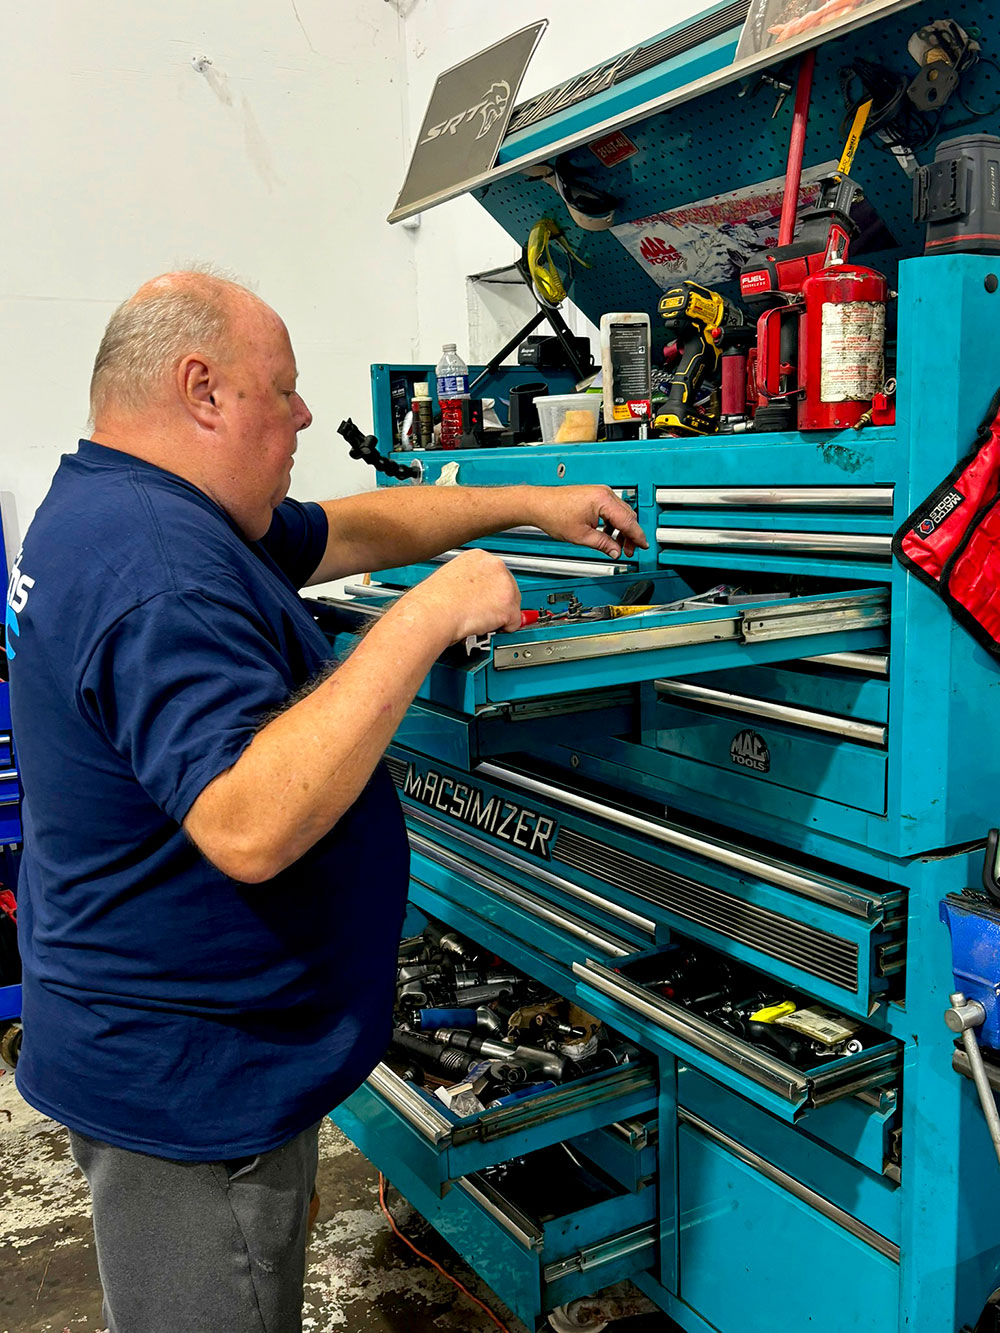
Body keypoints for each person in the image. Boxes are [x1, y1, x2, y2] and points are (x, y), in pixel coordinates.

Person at [6, 270, 647, 1333]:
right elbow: (248, 820)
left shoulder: (134, 505)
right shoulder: (160, 567)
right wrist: (429, 614)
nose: (305, 413)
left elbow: (356, 527)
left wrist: (530, 501)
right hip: (189, 1084)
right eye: (283, 389)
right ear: (203, 391)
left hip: (180, 1036)